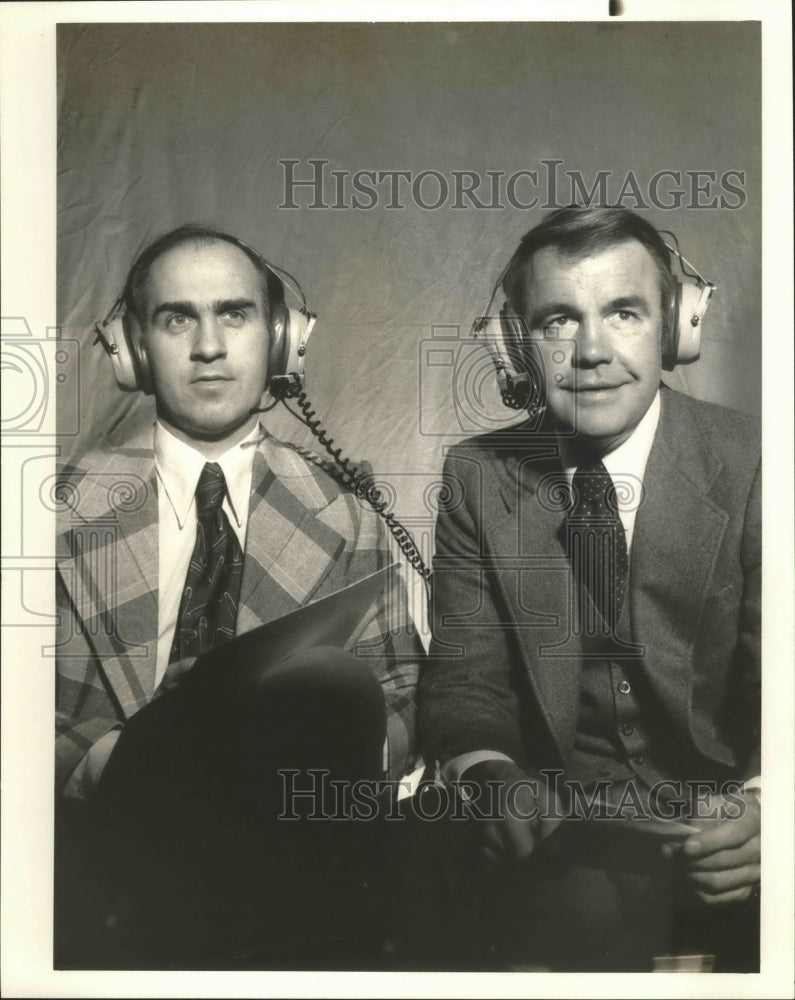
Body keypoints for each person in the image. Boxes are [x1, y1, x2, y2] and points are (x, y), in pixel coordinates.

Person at [54, 224, 421, 968]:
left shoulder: (346, 513)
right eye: (176, 318)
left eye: (235, 314)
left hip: (299, 850)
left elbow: (403, 691)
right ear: (132, 351)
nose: (209, 346)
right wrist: (119, 762)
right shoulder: (55, 506)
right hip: (118, 849)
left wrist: (350, 750)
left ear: (281, 339)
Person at [417, 206, 761, 971]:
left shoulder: (759, 462)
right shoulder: (477, 475)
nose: (593, 351)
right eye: (558, 322)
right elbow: (464, 677)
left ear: (675, 327)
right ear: (514, 345)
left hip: (721, 822)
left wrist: (766, 809)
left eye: (624, 312)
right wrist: (489, 773)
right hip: (558, 829)